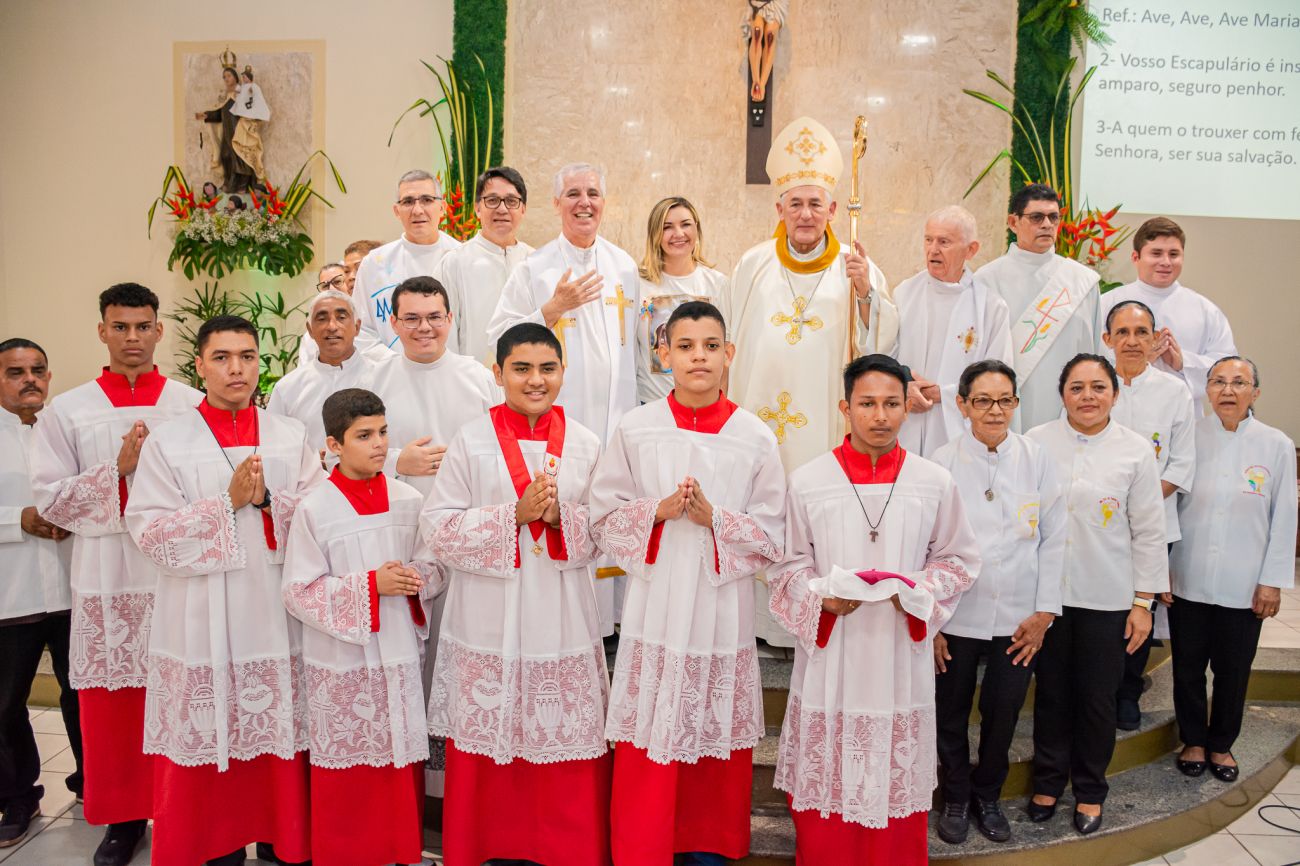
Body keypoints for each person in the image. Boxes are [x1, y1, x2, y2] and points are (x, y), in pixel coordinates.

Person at [589, 301, 786, 866]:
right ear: (664, 355)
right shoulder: (637, 428)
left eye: (710, 346)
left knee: (712, 736)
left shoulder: (755, 436)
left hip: (720, 612)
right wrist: (657, 510)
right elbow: (602, 517)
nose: (698, 357)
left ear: (729, 354)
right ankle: (642, 848)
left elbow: (773, 534)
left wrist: (713, 519)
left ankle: (708, 848)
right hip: (655, 608)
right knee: (650, 730)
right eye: (685, 346)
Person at [124, 315, 324, 866]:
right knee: (208, 731)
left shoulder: (289, 435)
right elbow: (149, 533)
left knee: (277, 729)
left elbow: (322, 517)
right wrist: (226, 504)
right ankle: (217, 842)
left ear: (260, 363)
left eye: (247, 356)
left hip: (274, 611)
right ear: (200, 366)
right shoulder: (170, 442)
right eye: (222, 357)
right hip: (201, 614)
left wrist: (268, 501)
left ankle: (283, 841)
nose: (237, 369)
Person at [770, 353, 979, 865]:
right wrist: (822, 598)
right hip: (833, 653)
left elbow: (958, 560)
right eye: (867, 403)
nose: (880, 416)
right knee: (828, 781)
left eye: (891, 403)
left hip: (897, 652)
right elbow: (786, 567)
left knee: (893, 783)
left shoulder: (933, 481)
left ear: (908, 407)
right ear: (845, 408)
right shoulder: (809, 481)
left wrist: (915, 591)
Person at [422, 323, 611, 866]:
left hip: (560, 611)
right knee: (489, 737)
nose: (535, 380)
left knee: (561, 734)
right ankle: (486, 844)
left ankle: (566, 849)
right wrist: (513, 516)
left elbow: (605, 529)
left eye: (547, 368)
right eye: (521, 368)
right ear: (498, 372)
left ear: (563, 372)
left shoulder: (585, 443)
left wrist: (558, 517)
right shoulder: (471, 439)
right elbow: (437, 527)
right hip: (489, 613)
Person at [28, 284, 203, 866]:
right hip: (107, 578)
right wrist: (118, 471)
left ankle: (182, 809)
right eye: (120, 326)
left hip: (174, 575)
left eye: (143, 326)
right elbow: (51, 500)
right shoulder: (69, 410)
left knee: (180, 694)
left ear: (159, 331)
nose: (133, 337)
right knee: (114, 706)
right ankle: (124, 820)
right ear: (102, 331)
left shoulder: (189, 404)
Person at [724, 115, 895, 647]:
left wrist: (866, 296)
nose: (805, 214)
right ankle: (762, 625)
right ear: (779, 209)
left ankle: (816, 616)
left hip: (824, 427)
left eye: (815, 204)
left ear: (833, 210)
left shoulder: (856, 265)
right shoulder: (752, 265)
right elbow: (728, 342)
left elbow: (878, 349)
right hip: (758, 422)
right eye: (795, 203)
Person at [282, 388, 440, 866]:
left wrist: (412, 579)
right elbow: (299, 591)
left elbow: (435, 568)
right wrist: (372, 585)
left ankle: (399, 852)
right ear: (333, 445)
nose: (379, 444)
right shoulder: (315, 508)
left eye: (383, 432)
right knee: (348, 781)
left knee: (399, 769)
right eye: (364, 435)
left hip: (397, 654)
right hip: (342, 663)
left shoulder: (410, 500)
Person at [487, 162, 643, 637]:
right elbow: (499, 336)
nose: (584, 203)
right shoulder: (535, 268)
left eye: (592, 193)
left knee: (613, 505)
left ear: (604, 202)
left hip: (617, 416)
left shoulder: (624, 266)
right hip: (561, 423)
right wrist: (553, 308)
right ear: (556, 204)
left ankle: (611, 624)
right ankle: (573, 624)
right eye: (573, 193)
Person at [1025, 354, 1167, 835]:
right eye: (1077, 387)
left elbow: (1149, 532)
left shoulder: (1135, 451)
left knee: (1097, 699)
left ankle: (1089, 790)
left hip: (1108, 598)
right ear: (1062, 394)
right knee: (1051, 695)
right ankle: (1047, 782)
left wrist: (1143, 604)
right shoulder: (1036, 443)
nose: (1088, 396)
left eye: (1098, 387)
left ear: (1115, 394)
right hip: (1047, 599)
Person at [929, 360, 1065, 845]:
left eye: (1005, 400)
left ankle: (988, 795)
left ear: (1016, 404)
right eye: (983, 400)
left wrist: (1045, 613)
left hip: (1019, 617)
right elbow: (924, 545)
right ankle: (955, 796)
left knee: (1004, 710)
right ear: (962, 405)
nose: (994, 410)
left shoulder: (1037, 458)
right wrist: (932, 622)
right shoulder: (940, 462)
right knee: (949, 710)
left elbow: (1055, 537)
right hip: (956, 613)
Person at [1166, 357, 1295, 782]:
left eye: (1239, 382)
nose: (1227, 390)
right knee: (1187, 668)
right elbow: (1169, 506)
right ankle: (1193, 740)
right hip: (1187, 575)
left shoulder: (1275, 444)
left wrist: (1272, 582)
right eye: (1218, 381)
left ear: (1255, 392)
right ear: (1206, 390)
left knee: (1233, 671)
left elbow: (1284, 518)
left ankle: (1221, 743)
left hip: (1245, 584)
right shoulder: (1190, 437)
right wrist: (1160, 568)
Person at [1102, 300, 1196, 730]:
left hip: (1155, 523)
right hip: (1099, 526)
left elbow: (1181, 464)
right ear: (1108, 339)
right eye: (1122, 332)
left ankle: (1127, 690)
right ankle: (1097, 687)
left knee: (1141, 608)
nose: (1132, 341)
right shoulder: (1095, 384)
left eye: (1141, 332)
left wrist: (1137, 504)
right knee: (1101, 608)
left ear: (1156, 339)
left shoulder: (1174, 392)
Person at [0, 338, 75, 850]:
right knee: (5, 704)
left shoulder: (65, 429)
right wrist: (17, 519)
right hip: (13, 594)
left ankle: (93, 785)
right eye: (15, 371)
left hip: (72, 592)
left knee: (83, 697)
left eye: (38, 369)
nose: (30, 379)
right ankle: (17, 796)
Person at [976, 183, 1102, 431]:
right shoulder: (987, 280)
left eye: (1053, 217)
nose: (1047, 224)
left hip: (1069, 405)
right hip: (1007, 405)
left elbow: (1096, 350)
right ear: (1013, 222)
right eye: (1036, 217)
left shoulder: (1081, 282)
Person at [890, 205, 1013, 457]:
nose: (933, 249)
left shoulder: (990, 307)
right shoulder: (904, 293)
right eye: (928, 240)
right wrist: (903, 384)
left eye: (944, 242)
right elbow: (885, 352)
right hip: (906, 422)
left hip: (959, 430)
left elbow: (998, 378)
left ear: (971, 250)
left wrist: (945, 395)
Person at [371, 277, 499, 499]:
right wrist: (395, 462)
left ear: (449, 319)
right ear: (393, 323)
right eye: (411, 318)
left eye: (434, 317)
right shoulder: (372, 381)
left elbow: (505, 450)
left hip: (468, 508)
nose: (424, 327)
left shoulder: (482, 380)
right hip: (396, 510)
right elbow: (342, 456)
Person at [1101, 217, 1236, 406]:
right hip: (1120, 407)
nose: (1166, 262)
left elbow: (1228, 370)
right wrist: (1135, 359)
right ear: (1135, 258)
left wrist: (1182, 362)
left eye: (1174, 254)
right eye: (1156, 253)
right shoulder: (1107, 303)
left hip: (1181, 411)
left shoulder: (1205, 310)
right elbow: (1090, 360)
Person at [434, 166, 535, 367]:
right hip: (473, 378)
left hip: (529, 377)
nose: (502, 209)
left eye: (511, 201)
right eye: (492, 200)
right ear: (477, 208)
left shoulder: (536, 262)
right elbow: (444, 334)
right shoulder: (454, 263)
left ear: (523, 209)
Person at [354, 170, 463, 354]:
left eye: (427, 200)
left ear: (442, 207)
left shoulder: (462, 259)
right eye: (408, 201)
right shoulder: (374, 264)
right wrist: (394, 365)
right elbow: (361, 330)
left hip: (452, 369)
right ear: (397, 211)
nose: (417, 210)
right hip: (390, 368)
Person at [271, 289, 387, 459]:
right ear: (310, 330)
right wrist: (309, 462)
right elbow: (275, 448)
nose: (332, 326)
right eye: (322, 319)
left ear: (357, 327)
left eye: (341, 317)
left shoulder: (383, 377)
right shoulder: (287, 389)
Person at [636, 196, 729, 403]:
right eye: (667, 227)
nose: (678, 233)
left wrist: (719, 408)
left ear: (697, 229)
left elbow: (724, 359)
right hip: (650, 404)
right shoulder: (638, 284)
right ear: (655, 234)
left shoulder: (718, 284)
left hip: (703, 405)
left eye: (685, 224)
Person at [194, 66, 255, 194]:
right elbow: (220, 113)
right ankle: (228, 181)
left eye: (228, 76)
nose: (226, 79)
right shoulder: (225, 96)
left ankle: (241, 184)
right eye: (224, 77)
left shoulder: (241, 93)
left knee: (240, 157)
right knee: (225, 155)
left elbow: (250, 108)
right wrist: (207, 115)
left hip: (239, 131)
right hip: (228, 131)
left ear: (235, 77)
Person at [230, 66, 271, 188]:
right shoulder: (243, 87)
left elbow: (256, 100)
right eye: (242, 77)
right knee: (240, 144)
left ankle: (256, 176)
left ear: (249, 77)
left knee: (252, 148)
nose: (243, 79)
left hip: (250, 122)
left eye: (245, 77)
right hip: (243, 121)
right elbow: (237, 90)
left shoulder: (254, 87)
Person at [744, 0, 788, 102]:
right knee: (757, 33)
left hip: (776, 3)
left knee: (770, 37)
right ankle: (756, 81)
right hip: (757, 2)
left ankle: (762, 85)